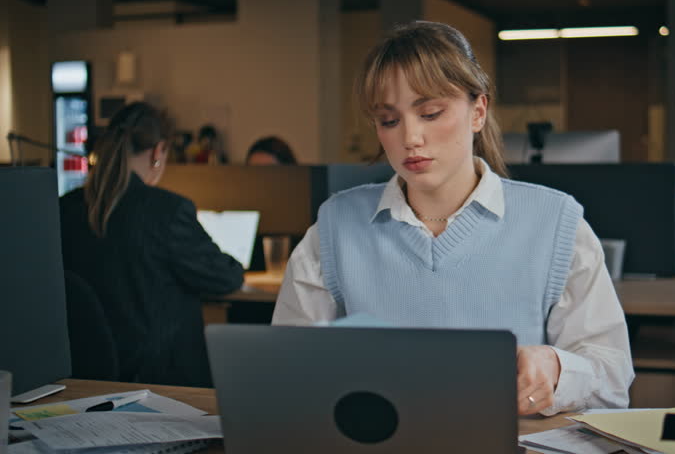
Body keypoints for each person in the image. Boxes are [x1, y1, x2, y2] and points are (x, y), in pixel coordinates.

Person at [271, 21, 634, 415]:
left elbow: (612, 379)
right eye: (389, 120)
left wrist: (556, 369)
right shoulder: (335, 225)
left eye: (430, 113)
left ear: (478, 111)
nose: (410, 137)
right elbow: (285, 369)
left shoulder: (556, 222)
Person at [60, 102, 244, 387]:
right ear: (158, 151)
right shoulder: (166, 211)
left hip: (83, 376)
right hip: (162, 380)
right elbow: (224, 278)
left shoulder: (65, 208)